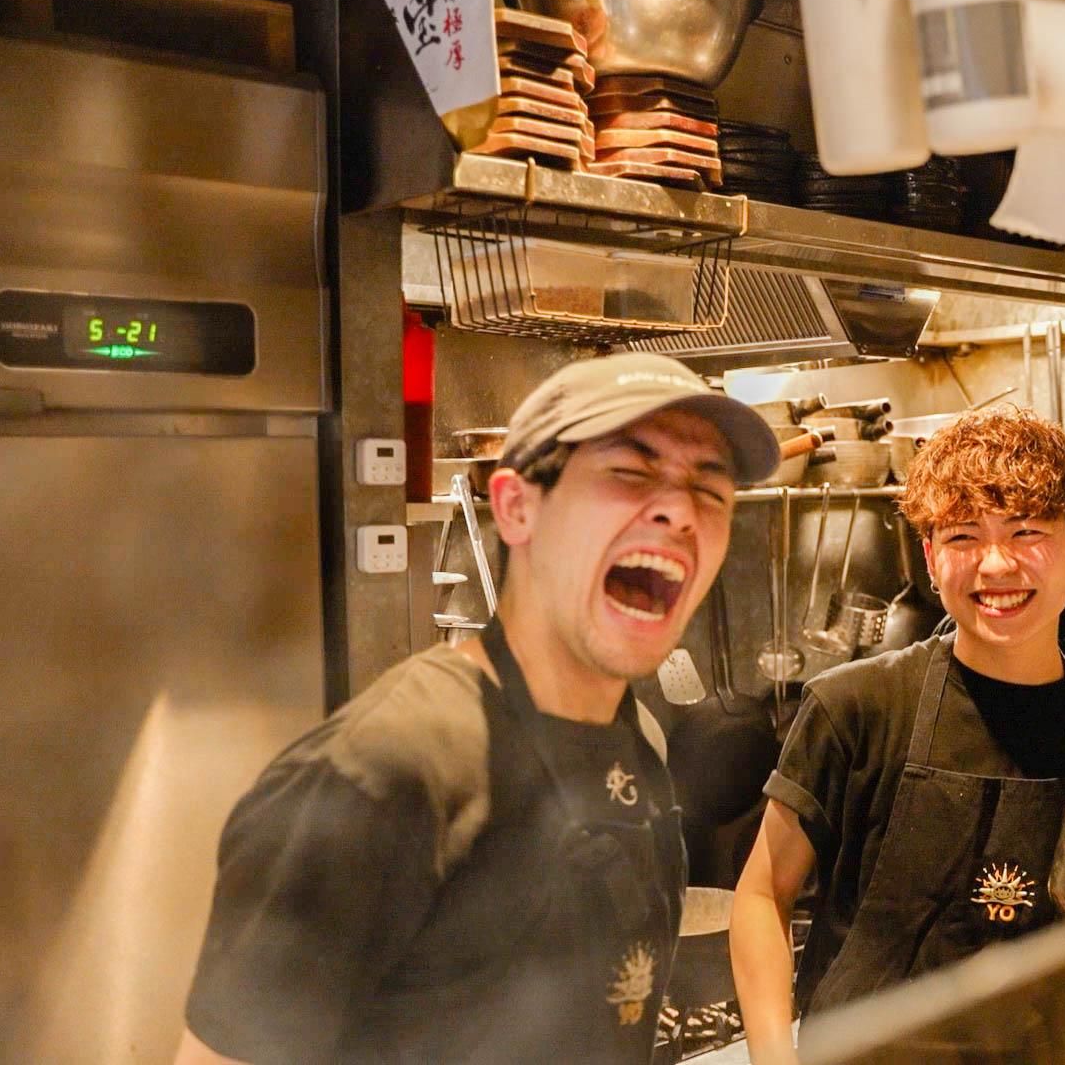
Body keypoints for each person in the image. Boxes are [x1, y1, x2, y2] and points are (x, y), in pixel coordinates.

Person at [175, 354, 780, 1064]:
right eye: (629, 471)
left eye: (710, 490)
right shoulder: (380, 772)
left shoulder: (636, 737)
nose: (680, 511)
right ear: (517, 507)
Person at [731, 405, 1065, 1065]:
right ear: (930, 556)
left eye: (1027, 532)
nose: (996, 564)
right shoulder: (854, 708)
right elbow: (761, 895)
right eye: (962, 536)